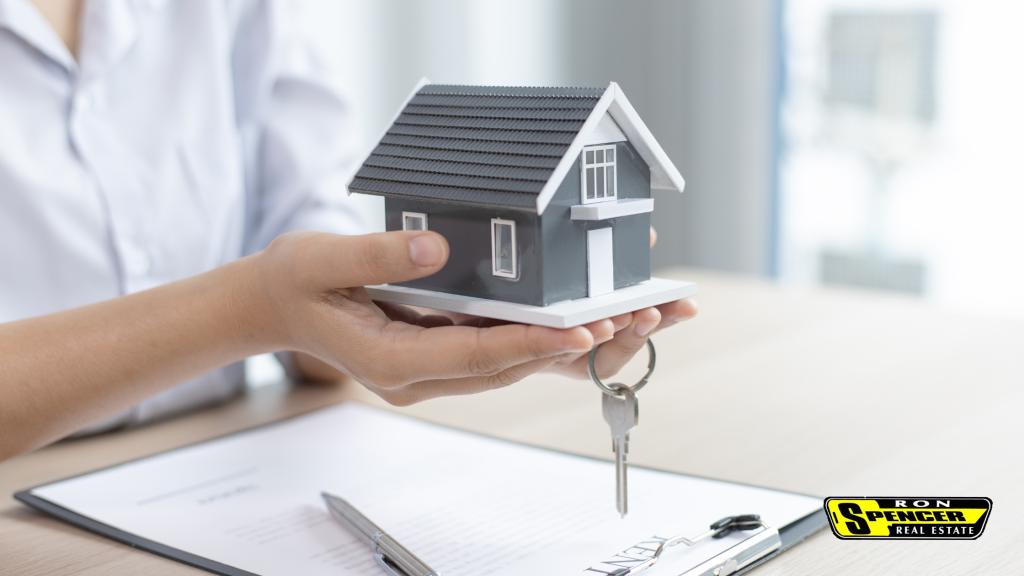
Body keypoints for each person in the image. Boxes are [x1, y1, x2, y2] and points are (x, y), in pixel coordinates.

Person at [0, 0, 697, 462]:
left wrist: (400, 308)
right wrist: (250, 311)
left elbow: (307, 238)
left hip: (240, 447)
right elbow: (271, 299)